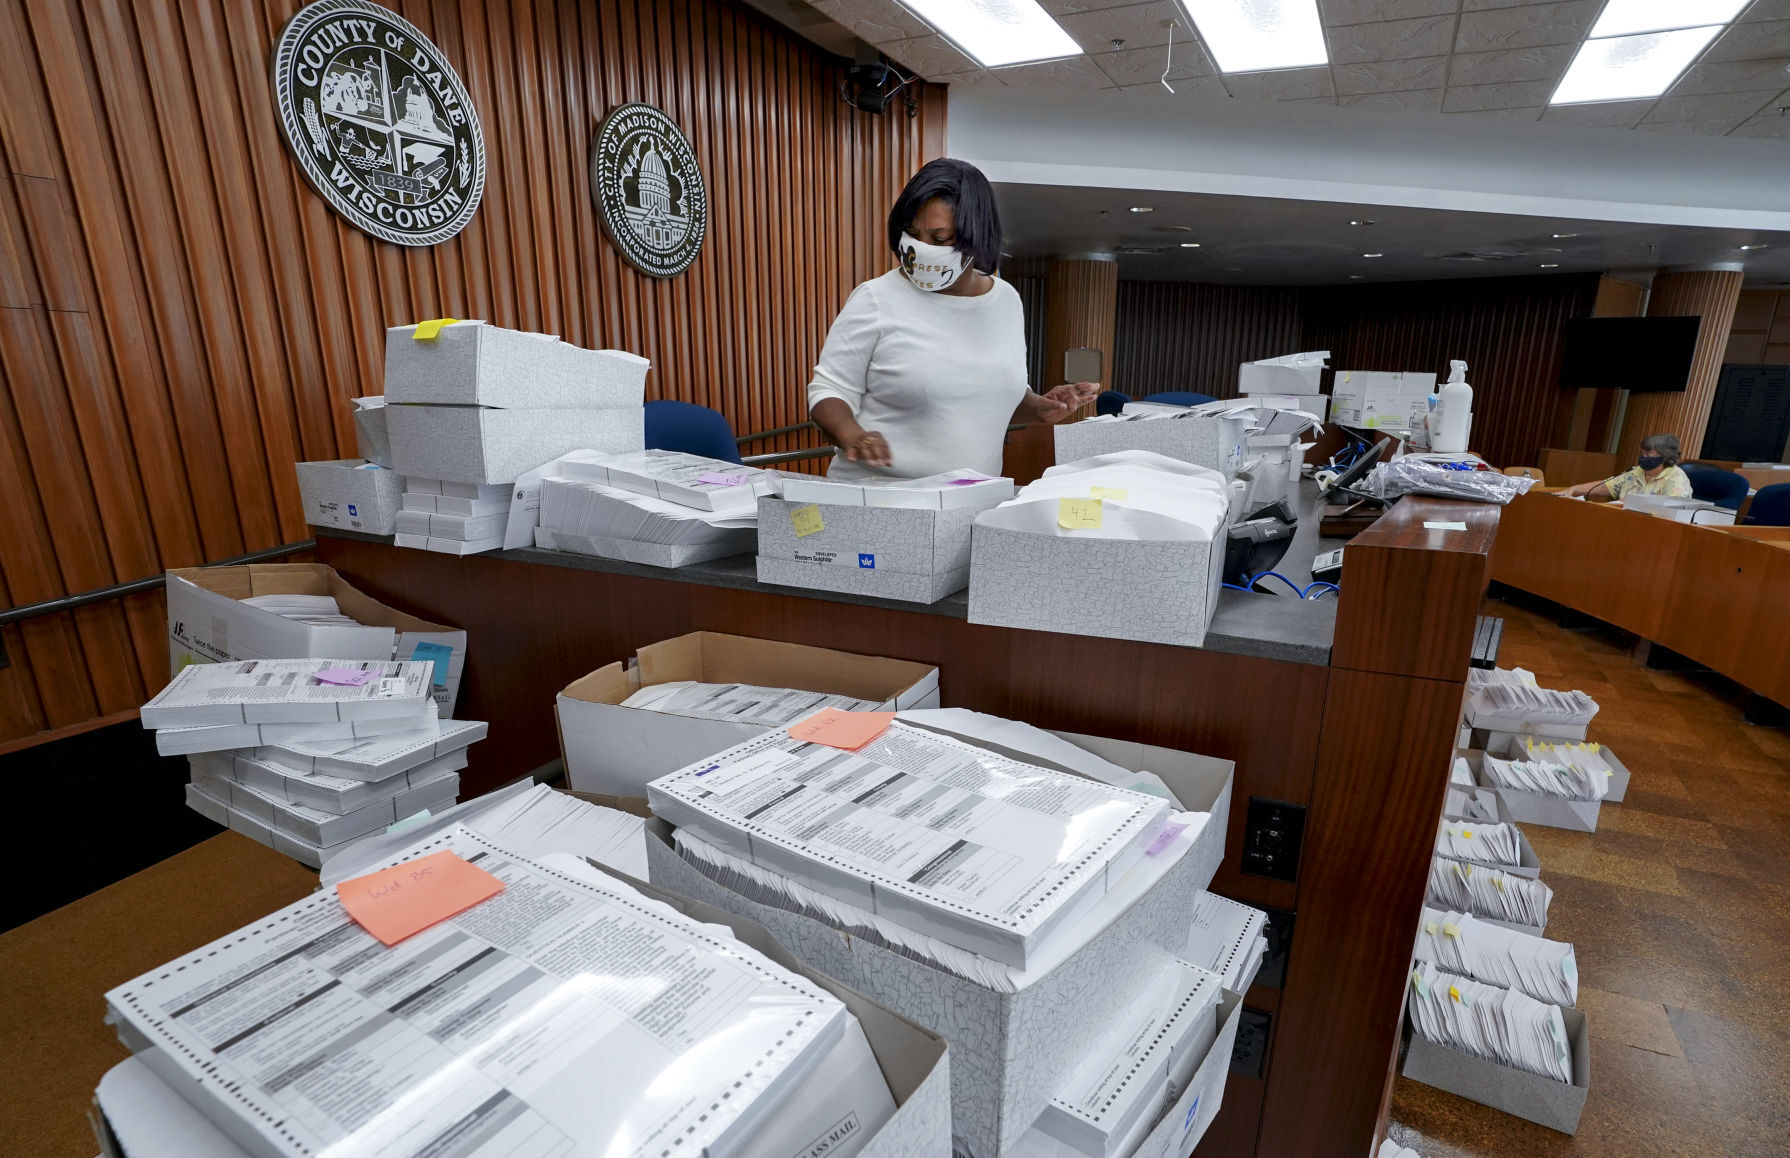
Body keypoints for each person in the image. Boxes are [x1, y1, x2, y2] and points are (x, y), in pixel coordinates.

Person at [807, 158, 1099, 480]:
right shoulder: (876, 298)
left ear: (975, 236)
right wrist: (851, 434)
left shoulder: (1006, 301)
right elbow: (828, 391)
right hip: (878, 498)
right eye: (912, 234)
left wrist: (1038, 406)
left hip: (969, 500)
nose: (921, 248)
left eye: (940, 238)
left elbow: (984, 395)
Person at [1559, 434, 1693, 500]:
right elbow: (1605, 487)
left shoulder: (1676, 478)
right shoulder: (1635, 472)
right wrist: (1573, 489)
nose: (1643, 457)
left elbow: (1672, 510)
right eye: (1642, 453)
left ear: (1665, 456)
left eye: (1649, 454)